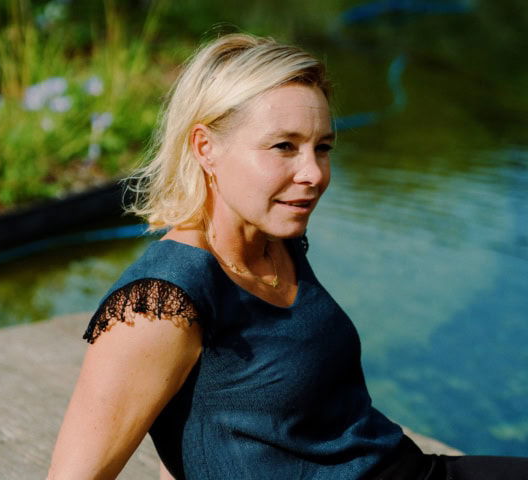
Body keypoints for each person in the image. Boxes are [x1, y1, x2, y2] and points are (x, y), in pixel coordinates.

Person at [47, 34, 528, 479]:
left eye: (323, 147)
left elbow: (192, 435)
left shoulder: (276, 239)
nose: (313, 173)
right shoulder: (159, 304)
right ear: (205, 147)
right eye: (284, 146)